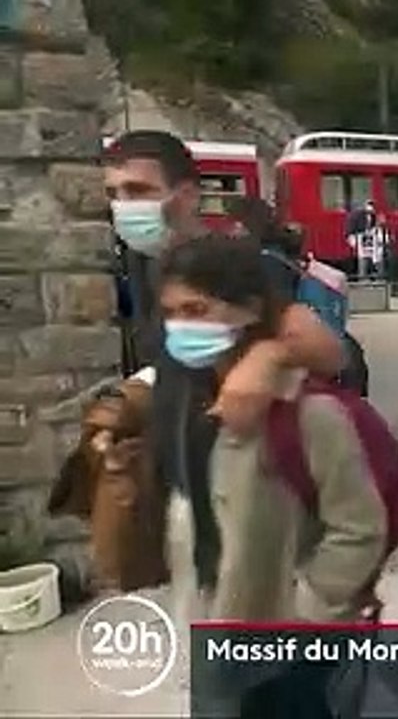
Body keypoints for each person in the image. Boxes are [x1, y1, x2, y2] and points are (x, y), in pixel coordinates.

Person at [103, 130, 345, 620]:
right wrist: (128, 409)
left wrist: (268, 357)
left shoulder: (241, 267)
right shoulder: (149, 268)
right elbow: (174, 362)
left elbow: (332, 353)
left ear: (186, 195)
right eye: (113, 194)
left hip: (248, 506)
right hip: (189, 501)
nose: (123, 207)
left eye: (138, 192)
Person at [158, 236, 385, 716]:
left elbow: (360, 529)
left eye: (197, 309)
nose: (181, 327)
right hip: (217, 619)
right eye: (172, 312)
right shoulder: (189, 391)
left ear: (248, 310)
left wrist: (304, 614)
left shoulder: (308, 412)